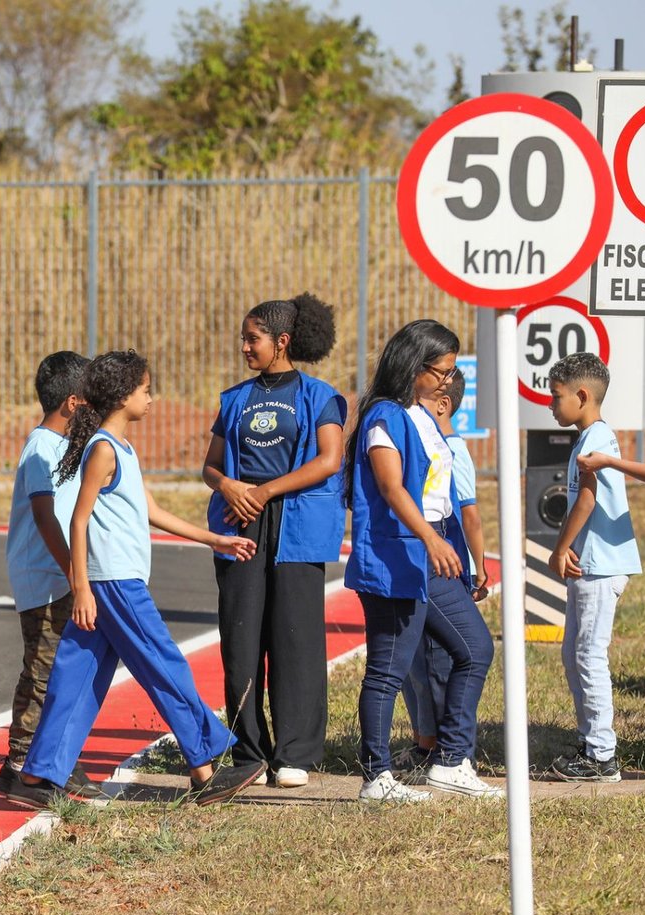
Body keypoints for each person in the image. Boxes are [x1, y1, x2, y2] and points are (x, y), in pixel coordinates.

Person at [4, 350, 265, 810]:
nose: (152, 397)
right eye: (146, 389)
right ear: (123, 396)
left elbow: (153, 512)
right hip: (114, 584)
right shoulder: (103, 448)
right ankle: (205, 766)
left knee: (77, 677)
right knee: (164, 664)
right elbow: (78, 521)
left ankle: (38, 775)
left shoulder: (120, 448)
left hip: (112, 581)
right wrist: (81, 587)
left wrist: (214, 540)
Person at [344, 320, 501, 803]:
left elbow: (441, 486)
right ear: (415, 365)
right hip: (398, 558)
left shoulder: (421, 413)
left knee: (475, 650)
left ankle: (452, 761)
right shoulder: (384, 418)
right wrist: (431, 539)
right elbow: (391, 488)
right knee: (387, 671)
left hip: (429, 558)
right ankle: (377, 778)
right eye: (442, 370)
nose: (447, 381)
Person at [201, 293, 345, 788]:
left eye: (253, 338)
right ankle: (249, 752)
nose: (244, 347)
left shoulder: (319, 395)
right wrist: (229, 486)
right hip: (240, 525)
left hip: (297, 528)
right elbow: (210, 465)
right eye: (244, 338)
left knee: (295, 640)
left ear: (282, 342)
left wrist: (264, 490)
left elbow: (328, 460)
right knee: (241, 639)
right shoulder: (234, 398)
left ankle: (294, 754)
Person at [0, 350, 96, 799]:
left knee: (63, 671)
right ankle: (19, 764)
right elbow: (44, 515)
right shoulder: (41, 446)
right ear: (74, 403)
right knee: (43, 671)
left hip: (62, 575)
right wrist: (75, 575)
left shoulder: (70, 446)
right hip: (45, 576)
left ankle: (53, 759)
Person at [548, 353, 640, 783]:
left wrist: (560, 547)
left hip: (599, 563)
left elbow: (587, 499)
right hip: (591, 562)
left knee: (589, 654)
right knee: (574, 654)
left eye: (557, 396)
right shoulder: (590, 437)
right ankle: (590, 742)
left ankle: (603, 757)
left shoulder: (596, 439)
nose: (551, 405)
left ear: (582, 396)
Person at [396, 367, 487, 777]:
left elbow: (469, 515)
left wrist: (479, 565)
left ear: (443, 403)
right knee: (414, 658)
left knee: (437, 657)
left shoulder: (454, 450)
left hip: (445, 559)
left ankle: (439, 747)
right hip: (419, 557)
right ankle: (424, 739)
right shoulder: (416, 440)